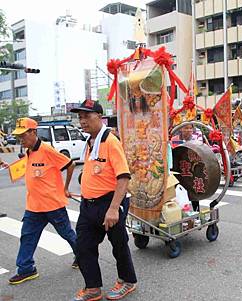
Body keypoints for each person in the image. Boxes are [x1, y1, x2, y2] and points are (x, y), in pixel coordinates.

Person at [70, 100, 137, 301]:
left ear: (100, 117)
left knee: (119, 245)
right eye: (80, 117)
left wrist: (114, 209)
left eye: (87, 116)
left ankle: (127, 281)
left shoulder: (110, 141)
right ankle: (92, 288)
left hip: (109, 203)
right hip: (88, 205)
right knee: (83, 246)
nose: (82, 121)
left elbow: (123, 176)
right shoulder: (90, 142)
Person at [7, 118, 77, 285]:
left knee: (67, 234)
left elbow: (70, 164)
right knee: (27, 236)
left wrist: (65, 188)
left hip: (53, 204)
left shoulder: (47, 150)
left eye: (23, 136)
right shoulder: (29, 151)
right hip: (34, 206)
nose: (21, 140)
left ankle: (82, 256)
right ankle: (26, 269)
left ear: (33, 132)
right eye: (19, 137)